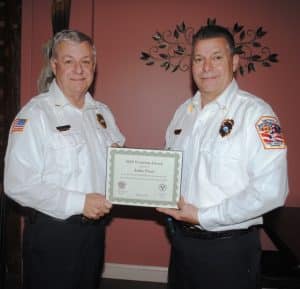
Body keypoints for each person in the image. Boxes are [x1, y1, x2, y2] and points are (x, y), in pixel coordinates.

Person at [157, 24, 288, 289]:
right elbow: (171, 169)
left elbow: (272, 191)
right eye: (198, 59)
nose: (206, 67)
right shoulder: (184, 113)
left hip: (229, 250)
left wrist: (205, 216)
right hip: (182, 242)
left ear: (234, 61)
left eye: (216, 57)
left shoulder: (256, 114)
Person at [4, 29, 125, 289]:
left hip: (94, 231)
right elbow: (17, 184)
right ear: (54, 65)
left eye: (86, 61)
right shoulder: (36, 115)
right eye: (69, 61)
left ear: (94, 65)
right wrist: (80, 202)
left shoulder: (102, 113)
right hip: (53, 233)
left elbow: (119, 163)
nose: (79, 69)